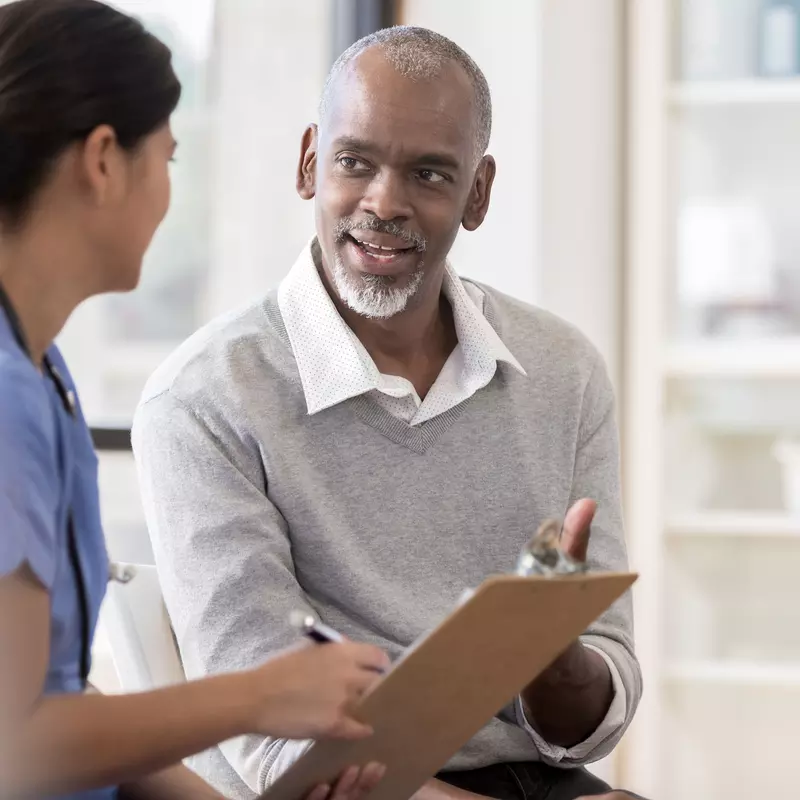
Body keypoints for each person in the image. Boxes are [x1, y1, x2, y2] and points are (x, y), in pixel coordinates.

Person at [133, 25, 643, 800]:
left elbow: (598, 710)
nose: (383, 203)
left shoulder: (562, 370)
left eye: (430, 174)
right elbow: (275, 739)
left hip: (530, 778)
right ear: (310, 162)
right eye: (354, 162)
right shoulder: (204, 399)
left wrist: (549, 659)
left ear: (478, 193)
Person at [0, 2, 392, 799]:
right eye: (168, 159)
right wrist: (259, 697)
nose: (169, 196)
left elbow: (59, 709)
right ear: (104, 160)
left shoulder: (46, 379)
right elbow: (16, 747)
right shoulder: (8, 402)